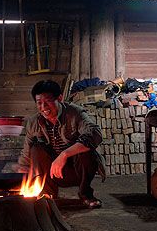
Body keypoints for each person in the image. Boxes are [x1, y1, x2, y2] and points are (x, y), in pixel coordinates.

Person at [19, 80, 106, 208]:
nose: (43, 107)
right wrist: (21, 172)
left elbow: (95, 133)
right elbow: (27, 152)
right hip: (53, 173)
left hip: (78, 171)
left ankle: (86, 195)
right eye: (39, 103)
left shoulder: (75, 113)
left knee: (86, 151)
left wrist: (64, 155)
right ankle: (48, 196)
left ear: (59, 98)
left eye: (48, 101)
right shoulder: (34, 123)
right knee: (36, 149)